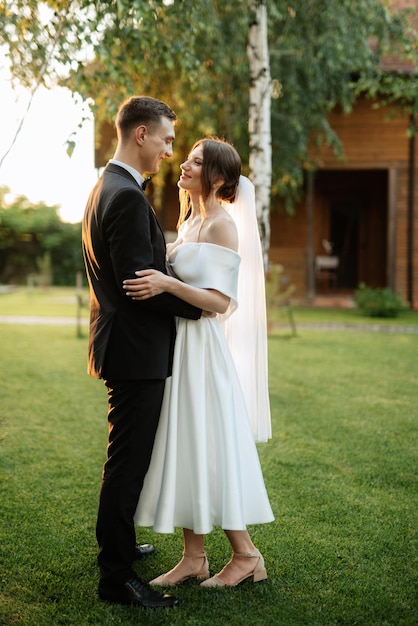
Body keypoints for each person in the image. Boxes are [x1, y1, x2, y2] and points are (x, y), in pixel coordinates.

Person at [123, 137, 274, 588]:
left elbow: (219, 303)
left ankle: (247, 555)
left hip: (202, 352)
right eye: (187, 157)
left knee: (210, 448)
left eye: (197, 162)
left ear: (220, 178)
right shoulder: (190, 221)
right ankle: (194, 557)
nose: (184, 165)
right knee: (188, 446)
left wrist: (166, 286)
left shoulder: (222, 226)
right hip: (178, 347)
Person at [82, 96, 203, 609]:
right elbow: (140, 285)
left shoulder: (104, 187)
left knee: (126, 457)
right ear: (139, 135)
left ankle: (121, 544)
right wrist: (198, 305)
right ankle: (116, 577)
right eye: (166, 139)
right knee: (128, 463)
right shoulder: (126, 195)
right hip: (134, 350)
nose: (169, 151)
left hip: (124, 345)